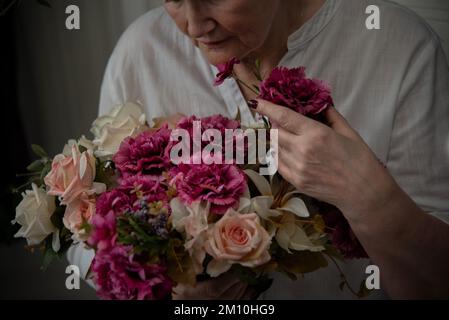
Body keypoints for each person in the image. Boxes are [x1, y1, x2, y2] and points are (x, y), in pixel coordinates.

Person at [69, 0, 449, 299]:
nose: (194, 26)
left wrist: (366, 196)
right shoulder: (140, 52)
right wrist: (171, 284)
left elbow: (436, 282)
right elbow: (84, 242)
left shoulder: (399, 47)